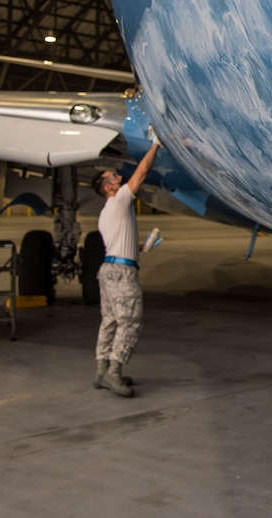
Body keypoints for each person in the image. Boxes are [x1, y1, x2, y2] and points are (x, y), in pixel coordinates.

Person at [90, 133, 161, 397]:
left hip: (109, 269)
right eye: (112, 177)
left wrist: (140, 248)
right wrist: (156, 145)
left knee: (109, 321)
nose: (116, 177)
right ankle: (114, 372)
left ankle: (102, 370)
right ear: (107, 187)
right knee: (130, 322)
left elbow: (118, 242)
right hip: (121, 274)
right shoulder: (119, 199)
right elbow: (141, 172)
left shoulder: (107, 213)